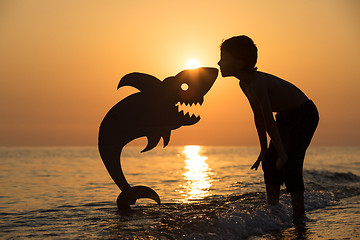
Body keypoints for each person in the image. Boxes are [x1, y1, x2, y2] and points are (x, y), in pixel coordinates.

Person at [218, 35, 319, 224]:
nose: (218, 62)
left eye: (223, 59)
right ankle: (274, 213)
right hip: (285, 116)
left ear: (239, 64)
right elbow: (259, 118)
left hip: (304, 115)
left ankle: (299, 217)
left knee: (289, 163)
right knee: (270, 161)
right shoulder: (244, 84)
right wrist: (264, 150)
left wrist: (283, 153)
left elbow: (269, 121)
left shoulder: (258, 83)